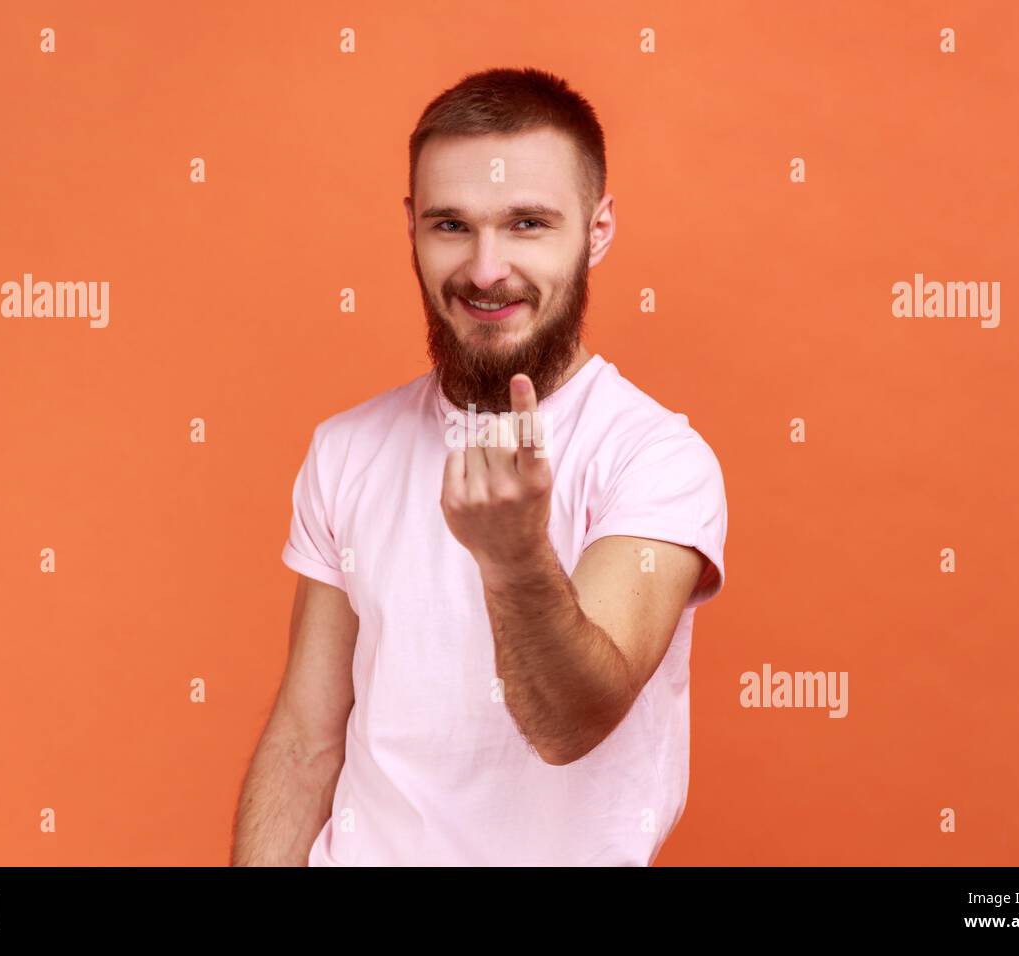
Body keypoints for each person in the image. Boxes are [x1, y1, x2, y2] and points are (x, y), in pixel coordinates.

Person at [232, 67, 728, 866]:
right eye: (451, 225)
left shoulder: (657, 458)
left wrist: (514, 558)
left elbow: (571, 724)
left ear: (597, 230)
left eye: (528, 223)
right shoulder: (347, 448)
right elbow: (305, 736)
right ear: (411, 227)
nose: (486, 268)